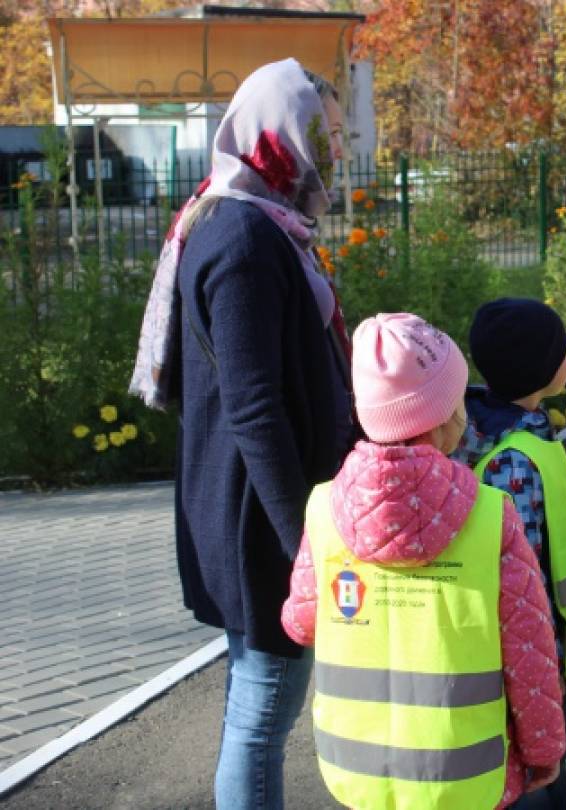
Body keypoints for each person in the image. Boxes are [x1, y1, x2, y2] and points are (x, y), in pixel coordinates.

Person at [129, 58, 356, 809]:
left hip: (252, 503)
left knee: (254, 704)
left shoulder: (258, 224)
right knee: (263, 713)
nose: (339, 149)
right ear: (280, 136)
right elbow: (254, 406)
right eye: (325, 134)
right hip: (258, 517)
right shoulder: (244, 239)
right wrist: (305, 543)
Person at [281, 313, 566, 808]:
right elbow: (529, 649)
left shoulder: (324, 508)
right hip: (467, 768)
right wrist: (544, 750)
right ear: (447, 417)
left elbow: (301, 623)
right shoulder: (489, 516)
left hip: (359, 762)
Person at [452, 298, 566, 810]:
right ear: (546, 369)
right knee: (541, 769)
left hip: (507, 646)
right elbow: (519, 568)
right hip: (532, 648)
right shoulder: (516, 458)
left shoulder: (490, 430)